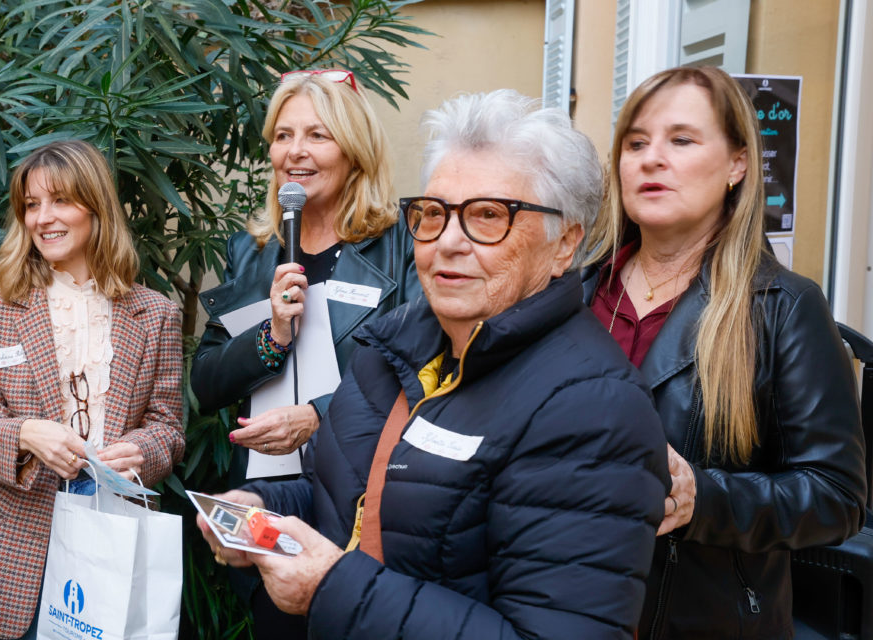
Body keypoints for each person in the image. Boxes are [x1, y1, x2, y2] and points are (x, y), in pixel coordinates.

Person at [201, 90, 671, 638]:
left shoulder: (593, 408)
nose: (448, 241)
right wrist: (264, 507)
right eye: (433, 214)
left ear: (564, 243)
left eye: (488, 216)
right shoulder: (394, 349)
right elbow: (357, 497)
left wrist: (332, 589)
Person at [582, 65, 867, 638]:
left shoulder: (783, 306)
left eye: (681, 140)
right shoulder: (574, 291)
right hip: (564, 601)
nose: (651, 158)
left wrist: (702, 498)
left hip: (697, 618)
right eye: (635, 143)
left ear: (738, 164)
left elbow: (837, 497)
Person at [0, 139, 184, 640]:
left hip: (112, 539)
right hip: (7, 550)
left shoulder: (156, 313)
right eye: (31, 205)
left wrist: (137, 451)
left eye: (61, 201)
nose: (43, 218)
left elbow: (169, 428)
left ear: (97, 208)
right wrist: (29, 434)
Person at [191, 69, 419, 471]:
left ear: (355, 152)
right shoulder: (250, 251)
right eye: (283, 136)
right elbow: (205, 383)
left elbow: (425, 367)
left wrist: (320, 415)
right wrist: (272, 337)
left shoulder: (405, 242)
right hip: (266, 493)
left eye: (318, 135)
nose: (295, 151)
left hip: (364, 488)